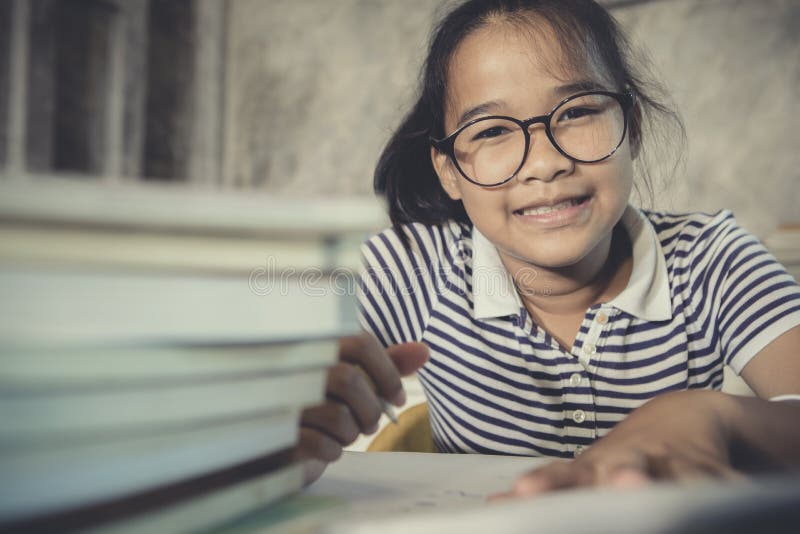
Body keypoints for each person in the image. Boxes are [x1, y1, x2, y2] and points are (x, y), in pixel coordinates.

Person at [294, 0, 800, 495]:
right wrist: (280, 433)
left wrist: (709, 417)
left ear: (633, 127)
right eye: (492, 130)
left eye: (577, 111)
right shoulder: (412, 267)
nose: (544, 162)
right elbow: (251, 403)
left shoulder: (711, 257)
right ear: (448, 169)